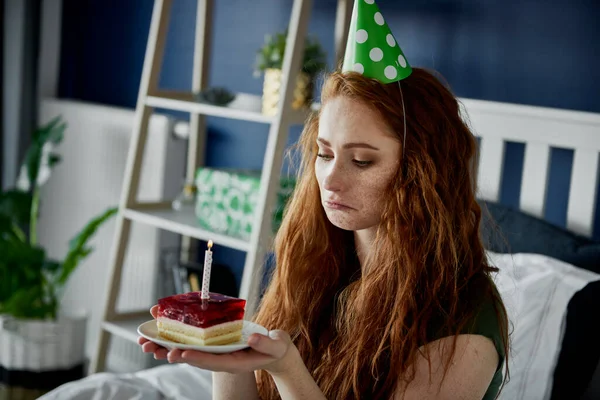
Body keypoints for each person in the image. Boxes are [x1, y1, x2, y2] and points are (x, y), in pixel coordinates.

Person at [139, 1, 510, 399]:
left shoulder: (463, 319)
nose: (329, 179)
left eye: (362, 160)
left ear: (423, 173)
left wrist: (285, 368)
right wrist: (225, 355)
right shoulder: (318, 265)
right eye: (325, 153)